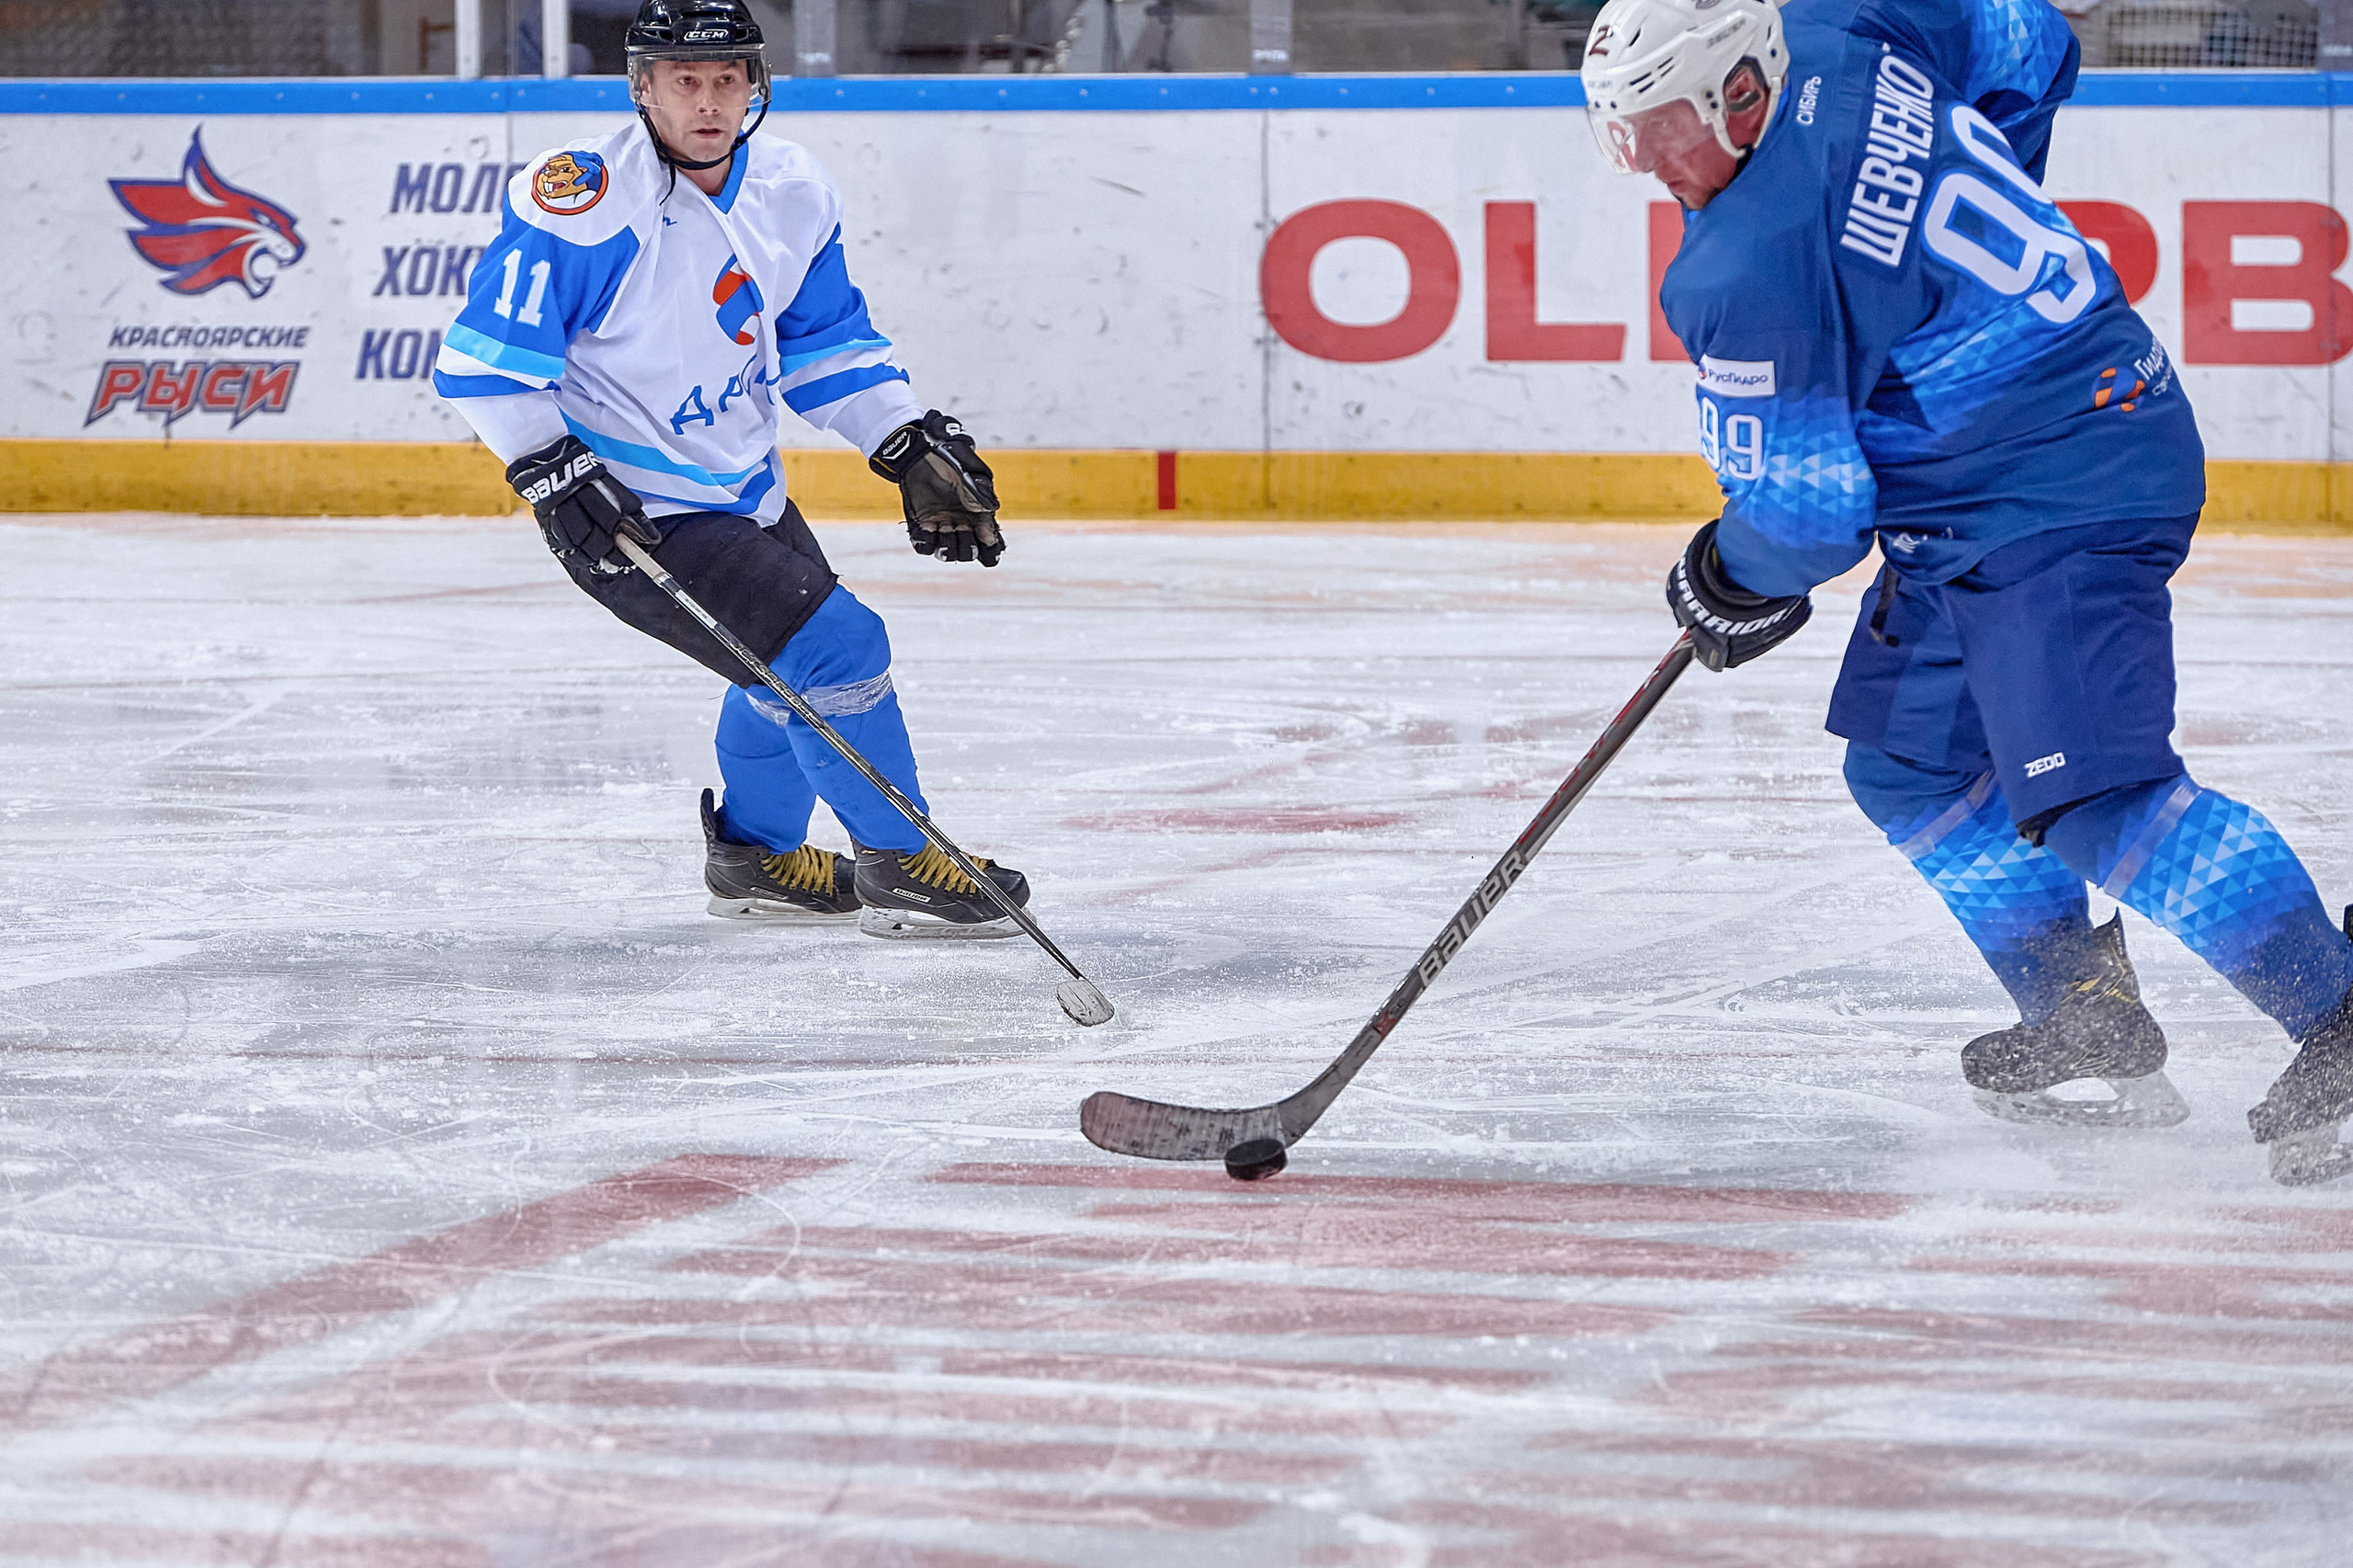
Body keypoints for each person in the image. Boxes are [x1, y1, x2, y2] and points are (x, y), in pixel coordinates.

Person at [1582, 0, 2353, 1184]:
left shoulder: (1743, 263)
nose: (1648, 165)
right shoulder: (1847, 27)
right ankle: (2081, 1005)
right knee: (1910, 764)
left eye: (1664, 129)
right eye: (1625, 135)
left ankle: (2337, 1011)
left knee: (2096, 795)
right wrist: (1934, 249)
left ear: (1741, 88)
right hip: (2006, 478)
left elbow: (1807, 517)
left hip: (2059, 490)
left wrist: (1723, 578)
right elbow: (2034, 44)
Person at [435, 0, 1031, 938]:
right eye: (683, 81)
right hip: (631, 511)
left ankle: (753, 856)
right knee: (836, 650)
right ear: (642, 90)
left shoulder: (792, 188)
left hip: (740, 488)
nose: (706, 102)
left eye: (725, 79)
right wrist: (548, 467)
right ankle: (902, 859)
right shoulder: (588, 201)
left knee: (780, 678)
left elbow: (826, 343)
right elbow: (482, 362)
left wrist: (904, 436)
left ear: (755, 85)